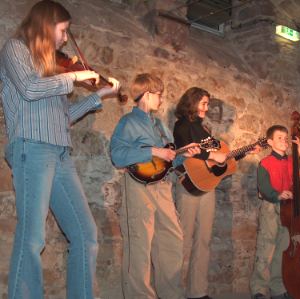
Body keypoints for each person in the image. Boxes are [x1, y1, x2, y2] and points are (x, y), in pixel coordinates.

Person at [0, 1, 120, 298]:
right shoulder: (15, 50)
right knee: (33, 237)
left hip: (61, 154)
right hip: (32, 148)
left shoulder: (53, 69)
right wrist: (74, 77)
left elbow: (63, 116)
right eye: (63, 30)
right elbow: (29, 89)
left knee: (85, 234)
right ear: (45, 25)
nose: (66, 38)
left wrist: (99, 95)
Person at [110, 74, 199, 299]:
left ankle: (171, 295)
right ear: (146, 95)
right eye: (158, 95)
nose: (161, 100)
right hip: (139, 189)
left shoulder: (159, 125)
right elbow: (117, 155)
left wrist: (184, 154)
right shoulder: (128, 122)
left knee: (172, 241)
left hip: (163, 188)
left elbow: (170, 159)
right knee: (139, 246)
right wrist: (152, 150)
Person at [173, 87, 260, 299]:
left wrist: (243, 152)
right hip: (189, 183)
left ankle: (197, 292)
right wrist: (211, 154)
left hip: (207, 187)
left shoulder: (205, 131)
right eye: (203, 103)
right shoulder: (182, 125)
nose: (206, 108)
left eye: (207, 104)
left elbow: (222, 161)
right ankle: (173, 291)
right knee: (182, 239)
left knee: (204, 240)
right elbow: (184, 149)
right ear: (191, 103)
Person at [250, 125, 300, 299]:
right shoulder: (265, 163)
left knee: (282, 250)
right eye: (279, 138)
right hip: (271, 206)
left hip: (289, 209)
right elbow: (263, 188)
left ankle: (277, 287)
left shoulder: (293, 162)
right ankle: (259, 289)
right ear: (270, 142)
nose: (284, 140)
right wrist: (277, 194)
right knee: (266, 247)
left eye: (286, 138)